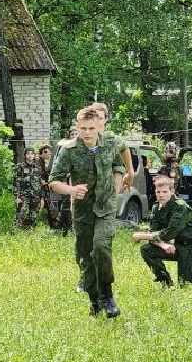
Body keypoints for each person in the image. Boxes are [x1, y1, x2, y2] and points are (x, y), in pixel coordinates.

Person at [49, 106, 133, 317]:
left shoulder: (111, 141)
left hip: (105, 206)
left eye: (91, 128)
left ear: (99, 127)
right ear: (77, 127)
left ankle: (107, 295)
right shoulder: (69, 151)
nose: (87, 133)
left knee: (101, 246)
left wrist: (129, 172)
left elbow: (124, 149)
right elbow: (53, 181)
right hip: (83, 211)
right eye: (83, 128)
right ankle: (94, 301)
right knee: (86, 258)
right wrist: (70, 189)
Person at [132, 173, 192, 287]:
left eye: (165, 192)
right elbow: (154, 232)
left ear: (172, 192)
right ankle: (165, 282)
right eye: (158, 192)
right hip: (178, 245)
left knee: (186, 286)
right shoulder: (157, 207)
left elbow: (169, 233)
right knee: (147, 249)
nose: (161, 195)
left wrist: (141, 236)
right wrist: (163, 245)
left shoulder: (180, 207)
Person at [12, 148, 46, 229]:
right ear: (24, 155)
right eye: (28, 154)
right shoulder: (20, 167)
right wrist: (17, 196)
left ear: (34, 155)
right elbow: (16, 183)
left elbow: (41, 184)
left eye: (32, 154)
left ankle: (30, 231)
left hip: (35, 196)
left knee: (33, 216)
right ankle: (18, 231)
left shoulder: (38, 168)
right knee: (21, 214)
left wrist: (42, 198)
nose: (30, 155)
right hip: (23, 196)